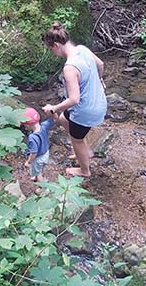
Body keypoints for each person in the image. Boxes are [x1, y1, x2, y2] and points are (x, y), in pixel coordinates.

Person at [42, 21, 107, 178]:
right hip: (99, 102)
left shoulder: (70, 68)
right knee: (64, 120)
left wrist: (54, 108)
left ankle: (84, 170)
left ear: (56, 45)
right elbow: (101, 64)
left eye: (51, 49)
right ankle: (86, 152)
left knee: (76, 139)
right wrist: (100, 79)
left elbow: (74, 99)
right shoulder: (82, 49)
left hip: (86, 111)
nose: (53, 53)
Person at [21, 107, 55, 183]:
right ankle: (35, 175)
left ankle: (43, 188)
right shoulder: (44, 126)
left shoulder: (32, 137)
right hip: (46, 153)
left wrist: (29, 162)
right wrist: (52, 112)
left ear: (28, 125)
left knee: (38, 173)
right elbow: (53, 119)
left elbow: (34, 152)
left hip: (38, 158)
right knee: (39, 168)